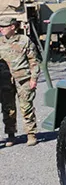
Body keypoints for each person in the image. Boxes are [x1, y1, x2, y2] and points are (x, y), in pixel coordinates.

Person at [0, 17, 40, 146]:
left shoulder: (24, 40)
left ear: (12, 27)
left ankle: (31, 134)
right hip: (5, 80)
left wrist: (33, 78)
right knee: (8, 108)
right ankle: (11, 135)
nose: (1, 29)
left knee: (26, 107)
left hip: (23, 79)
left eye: (4, 26)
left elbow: (33, 61)